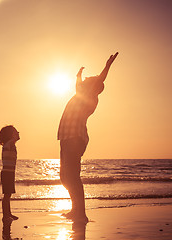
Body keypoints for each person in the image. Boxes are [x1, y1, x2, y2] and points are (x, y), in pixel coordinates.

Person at [57, 52, 119, 222]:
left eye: (88, 80)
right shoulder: (80, 94)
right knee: (64, 176)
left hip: (75, 138)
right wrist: (78, 76)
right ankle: (75, 209)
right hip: (66, 137)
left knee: (73, 176)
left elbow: (99, 80)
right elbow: (79, 85)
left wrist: (107, 66)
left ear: (94, 87)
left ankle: (81, 213)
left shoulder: (91, 96)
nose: (85, 81)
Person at [0, 125, 20, 221]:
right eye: (16, 132)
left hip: (10, 172)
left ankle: (8, 213)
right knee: (6, 195)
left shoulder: (11, 144)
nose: (18, 133)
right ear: (11, 135)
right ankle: (5, 216)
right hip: (7, 173)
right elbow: (12, 140)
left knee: (8, 194)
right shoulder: (9, 144)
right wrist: (14, 138)